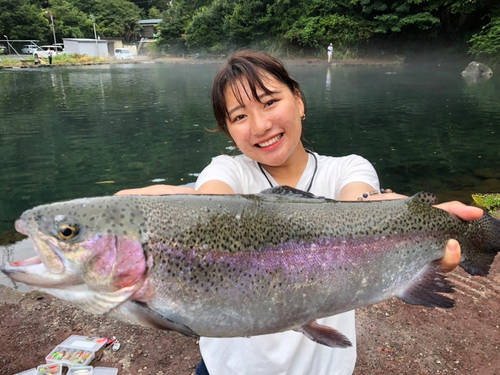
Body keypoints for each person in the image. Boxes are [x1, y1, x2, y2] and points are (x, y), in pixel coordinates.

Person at [116, 50, 482, 375]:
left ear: (299, 101)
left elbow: (362, 204)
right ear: (228, 129)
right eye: (240, 116)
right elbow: (210, 205)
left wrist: (421, 219)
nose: (260, 126)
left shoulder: (348, 169)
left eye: (270, 102)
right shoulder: (227, 172)